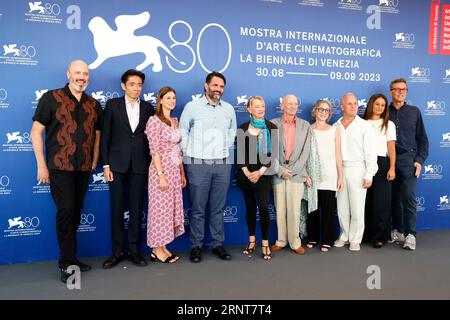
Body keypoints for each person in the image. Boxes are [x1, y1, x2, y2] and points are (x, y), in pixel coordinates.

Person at [30, 60, 103, 283]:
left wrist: (94, 159)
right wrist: (41, 165)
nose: (81, 77)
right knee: (66, 211)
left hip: (83, 169)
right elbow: (35, 132)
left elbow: (97, 135)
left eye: (85, 74)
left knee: (76, 211)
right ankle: (66, 263)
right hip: (59, 167)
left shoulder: (93, 104)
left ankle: (72, 257)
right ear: (68, 74)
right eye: (78, 73)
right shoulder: (51, 98)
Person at [179, 71, 237, 263]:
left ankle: (218, 244)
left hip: (221, 163)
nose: (218, 89)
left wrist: (223, 149)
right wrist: (190, 155)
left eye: (221, 87)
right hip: (198, 164)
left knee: (218, 208)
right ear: (206, 86)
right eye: (215, 85)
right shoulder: (192, 107)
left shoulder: (228, 109)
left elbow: (231, 132)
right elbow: (183, 132)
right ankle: (196, 246)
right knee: (197, 208)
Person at [100, 69, 154, 269]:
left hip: (140, 165)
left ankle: (134, 250)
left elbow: (151, 139)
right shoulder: (112, 105)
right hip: (117, 165)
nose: (136, 88)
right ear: (123, 86)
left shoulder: (148, 108)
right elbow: (105, 136)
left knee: (136, 208)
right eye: (132, 84)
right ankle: (116, 252)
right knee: (116, 209)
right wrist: (106, 165)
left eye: (139, 84)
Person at [145, 87, 186, 263]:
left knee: (169, 211)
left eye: (173, 98)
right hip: (160, 171)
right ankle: (156, 248)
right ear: (160, 100)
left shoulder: (174, 122)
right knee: (159, 211)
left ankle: (162, 247)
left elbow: (178, 150)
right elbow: (154, 151)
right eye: (167, 97)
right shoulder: (154, 121)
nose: (171, 100)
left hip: (175, 171)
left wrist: (182, 173)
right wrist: (161, 175)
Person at [333, 93, 378, 252]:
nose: (353, 106)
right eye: (349, 103)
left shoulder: (365, 125)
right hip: (339, 169)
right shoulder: (335, 126)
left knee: (357, 207)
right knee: (342, 206)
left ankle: (355, 238)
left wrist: (369, 174)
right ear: (342, 106)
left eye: (355, 103)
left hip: (358, 168)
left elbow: (371, 152)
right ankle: (344, 235)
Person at [389, 78, 429, 250]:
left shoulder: (414, 111)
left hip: (408, 160)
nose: (400, 92)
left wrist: (419, 160)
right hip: (388, 160)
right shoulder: (384, 111)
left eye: (403, 89)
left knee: (409, 198)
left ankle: (411, 235)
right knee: (393, 199)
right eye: (397, 89)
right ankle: (398, 231)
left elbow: (423, 139)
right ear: (391, 91)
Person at [236, 96, 277, 260]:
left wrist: (259, 172)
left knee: (264, 208)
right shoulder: (243, 128)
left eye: (263, 106)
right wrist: (247, 172)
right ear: (249, 109)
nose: (261, 109)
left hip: (263, 175)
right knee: (250, 207)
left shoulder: (271, 127)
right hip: (245, 176)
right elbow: (240, 153)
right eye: (257, 106)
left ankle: (265, 243)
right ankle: (252, 240)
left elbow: (272, 154)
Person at [270, 94, 311, 255]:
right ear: (282, 106)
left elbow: (306, 152)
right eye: (289, 103)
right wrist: (280, 170)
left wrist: (292, 171)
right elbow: (269, 151)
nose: (292, 106)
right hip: (278, 173)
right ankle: (281, 240)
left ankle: (295, 242)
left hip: (296, 174)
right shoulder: (272, 124)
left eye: (295, 104)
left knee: (294, 209)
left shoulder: (305, 125)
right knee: (280, 208)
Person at [304, 100, 343, 253]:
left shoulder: (335, 130)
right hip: (311, 175)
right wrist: (305, 174)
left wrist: (340, 176)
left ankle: (327, 239)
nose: (323, 112)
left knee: (328, 209)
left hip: (330, 174)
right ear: (315, 111)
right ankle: (313, 237)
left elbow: (338, 154)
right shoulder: (308, 129)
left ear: (329, 113)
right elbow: (303, 154)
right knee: (312, 208)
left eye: (326, 110)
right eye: (320, 109)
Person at [363, 94, 396, 248]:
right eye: (377, 104)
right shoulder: (362, 123)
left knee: (381, 203)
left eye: (383, 105)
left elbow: (391, 148)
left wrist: (391, 168)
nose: (380, 107)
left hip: (382, 163)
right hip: (363, 163)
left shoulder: (389, 124)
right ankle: (365, 235)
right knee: (365, 201)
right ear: (371, 105)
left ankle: (379, 236)